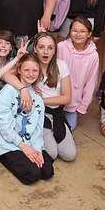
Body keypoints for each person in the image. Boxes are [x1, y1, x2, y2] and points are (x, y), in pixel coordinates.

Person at [0, 52, 54, 185]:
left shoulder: (37, 97)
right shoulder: (8, 91)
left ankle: (28, 157)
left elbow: (38, 128)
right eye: (26, 70)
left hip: (29, 142)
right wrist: (22, 147)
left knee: (48, 171)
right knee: (33, 175)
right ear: (19, 70)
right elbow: (3, 125)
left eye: (35, 70)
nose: (31, 74)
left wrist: (37, 148)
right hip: (9, 144)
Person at [30, 33, 75, 162]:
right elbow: (9, 75)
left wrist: (42, 100)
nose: (45, 52)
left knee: (69, 155)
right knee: (51, 154)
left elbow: (66, 98)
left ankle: (56, 134)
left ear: (55, 50)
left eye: (50, 48)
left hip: (57, 113)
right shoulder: (31, 66)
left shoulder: (61, 65)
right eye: (41, 47)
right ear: (35, 49)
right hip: (40, 113)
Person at [57, 17, 99, 130]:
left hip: (73, 103)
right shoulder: (61, 47)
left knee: (69, 128)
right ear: (69, 31)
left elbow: (91, 82)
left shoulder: (93, 55)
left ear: (89, 34)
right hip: (56, 99)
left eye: (82, 31)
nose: (78, 34)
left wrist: (83, 106)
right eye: (74, 30)